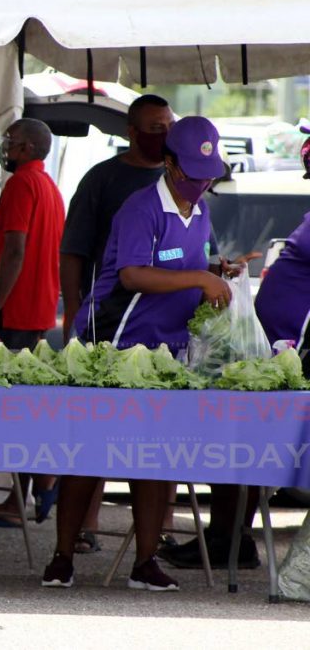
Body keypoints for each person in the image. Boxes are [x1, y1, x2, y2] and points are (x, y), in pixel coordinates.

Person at [43, 116, 235, 592]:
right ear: (168, 164)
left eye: (209, 175)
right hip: (112, 344)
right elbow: (132, 275)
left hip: (165, 352)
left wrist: (217, 269)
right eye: (193, 174)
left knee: (156, 458)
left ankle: (146, 562)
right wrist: (199, 279)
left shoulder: (201, 210)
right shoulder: (140, 208)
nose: (202, 184)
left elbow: (190, 264)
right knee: (88, 453)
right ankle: (62, 557)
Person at [161, 134, 310, 571]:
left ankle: (228, 538)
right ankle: (228, 537)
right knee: (237, 443)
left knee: (241, 442)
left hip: (288, 351)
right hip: (268, 345)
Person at [58, 94, 175, 554]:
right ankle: (81, 528)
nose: (162, 135)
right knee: (96, 431)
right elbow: (74, 248)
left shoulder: (181, 179)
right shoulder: (104, 178)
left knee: (157, 436)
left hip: (164, 331)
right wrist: (73, 307)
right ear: (131, 130)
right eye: (152, 127)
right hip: (106, 322)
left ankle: (158, 531)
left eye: (167, 125)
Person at [0, 118, 65, 526]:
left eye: (9, 142)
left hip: (16, 310)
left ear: (26, 148)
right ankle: (30, 487)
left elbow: (15, 250)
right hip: (36, 308)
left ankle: (36, 482)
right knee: (21, 405)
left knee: (3, 408)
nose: (4, 148)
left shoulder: (23, 184)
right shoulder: (50, 187)